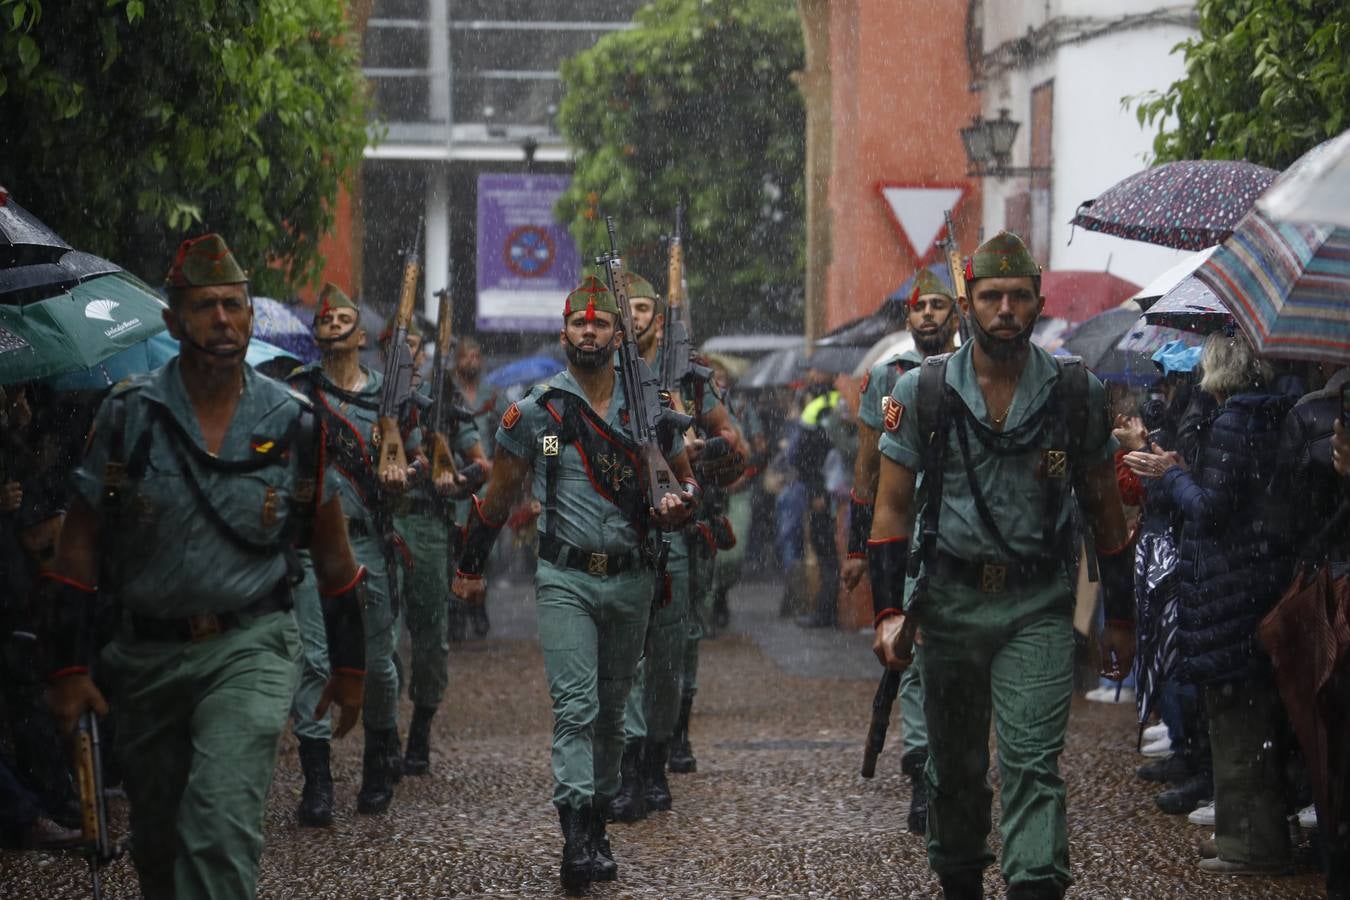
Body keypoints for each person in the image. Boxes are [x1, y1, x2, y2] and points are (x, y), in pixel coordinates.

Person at [40, 234, 367, 899]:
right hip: (146, 656)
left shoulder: (294, 423)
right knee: (160, 850)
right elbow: (78, 547)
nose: (223, 319)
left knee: (217, 829)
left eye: (234, 305)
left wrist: (351, 667)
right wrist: (69, 670)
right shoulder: (129, 417)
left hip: (250, 646)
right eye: (204, 305)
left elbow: (334, 555)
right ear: (172, 320)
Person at [869, 232, 1133, 900]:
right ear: (968, 304)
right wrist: (888, 611)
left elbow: (1106, 514)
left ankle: (1034, 884)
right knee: (954, 769)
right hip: (949, 606)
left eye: (1019, 296)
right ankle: (960, 878)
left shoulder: (1075, 393)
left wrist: (1123, 618)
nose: (1006, 310)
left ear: (1039, 303)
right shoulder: (921, 391)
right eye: (992, 297)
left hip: (1036, 608)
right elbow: (891, 509)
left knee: (1032, 764)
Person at [451, 274, 695, 896]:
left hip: (633, 578)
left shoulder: (651, 409)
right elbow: (501, 493)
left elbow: (686, 480)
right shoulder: (543, 414)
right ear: (563, 333)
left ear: (618, 335)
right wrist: (470, 564)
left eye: (600, 323)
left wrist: (680, 503)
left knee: (613, 715)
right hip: (566, 579)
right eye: (579, 323)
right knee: (576, 708)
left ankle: (599, 819)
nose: (589, 331)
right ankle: (576, 836)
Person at [1125, 330, 1298, 875]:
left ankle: (1252, 846)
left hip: (1231, 585)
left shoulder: (1233, 421)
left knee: (1236, 722)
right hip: (1255, 578)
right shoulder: (1271, 414)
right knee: (1247, 718)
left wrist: (1173, 474)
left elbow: (1212, 508)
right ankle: (1241, 834)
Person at [611, 273, 744, 820]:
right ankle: (629, 764)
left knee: (670, 652)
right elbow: (557, 441)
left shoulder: (692, 378)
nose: (636, 318)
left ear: (658, 321)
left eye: (644, 308)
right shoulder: (598, 376)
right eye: (628, 309)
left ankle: (659, 754)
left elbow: (736, 447)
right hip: (622, 530)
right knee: (625, 655)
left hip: (681, 531)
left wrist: (699, 448)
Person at [287, 283, 417, 823]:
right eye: (327, 321)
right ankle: (317, 783)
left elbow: (413, 461)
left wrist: (403, 474)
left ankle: (378, 761)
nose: (335, 326)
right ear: (316, 334)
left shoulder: (392, 399)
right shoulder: (299, 393)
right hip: (312, 545)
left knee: (380, 665)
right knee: (315, 661)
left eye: (345, 320)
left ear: (362, 336)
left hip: (369, 539)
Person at [844, 267, 959, 836]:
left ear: (955, 314)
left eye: (939, 305)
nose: (929, 314)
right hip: (912, 534)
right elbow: (868, 468)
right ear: (909, 317)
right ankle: (922, 773)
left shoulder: (978, 370)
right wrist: (857, 547)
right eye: (920, 307)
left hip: (971, 531)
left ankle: (956, 767)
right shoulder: (889, 378)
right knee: (915, 655)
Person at [383, 319, 488, 776]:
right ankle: (384, 731)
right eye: (397, 346)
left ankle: (421, 727)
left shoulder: (448, 401)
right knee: (380, 637)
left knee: (430, 636)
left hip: (428, 524)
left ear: (425, 355)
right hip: (381, 524)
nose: (407, 354)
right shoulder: (371, 399)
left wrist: (458, 479)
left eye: (413, 346)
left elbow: (483, 461)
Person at [1267, 361, 1349, 898]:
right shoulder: (1322, 418)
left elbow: (1289, 515)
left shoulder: (1309, 414)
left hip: (1334, 585)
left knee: (1332, 733)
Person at [451, 335, 510, 638]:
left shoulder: (492, 394)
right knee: (455, 543)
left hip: (486, 478)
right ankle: (456, 611)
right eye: (465, 356)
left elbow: (510, 426)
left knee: (483, 544)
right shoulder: (449, 392)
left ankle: (478, 605)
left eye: (475, 356)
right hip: (456, 478)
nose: (471, 362)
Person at [791, 369, 843, 628]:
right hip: (845, 492)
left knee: (826, 554)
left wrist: (815, 491)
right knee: (836, 553)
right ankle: (833, 610)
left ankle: (826, 612)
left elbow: (801, 456)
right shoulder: (844, 403)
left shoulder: (815, 409)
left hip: (823, 494)